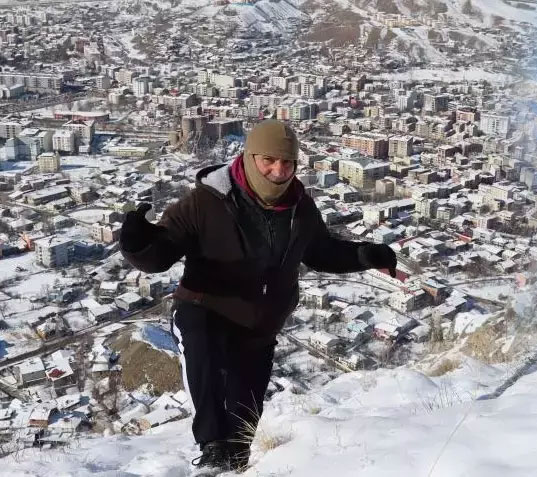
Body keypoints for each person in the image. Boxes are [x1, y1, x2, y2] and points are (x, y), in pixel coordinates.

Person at [120, 120, 398, 472]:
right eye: (269, 160)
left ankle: (231, 463)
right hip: (206, 308)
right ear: (250, 157)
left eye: (287, 163)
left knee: (242, 423)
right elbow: (161, 253)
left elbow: (319, 251)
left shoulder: (300, 207)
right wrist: (136, 243)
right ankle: (210, 445)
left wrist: (363, 256)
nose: (278, 171)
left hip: (258, 329)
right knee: (204, 361)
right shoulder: (205, 202)